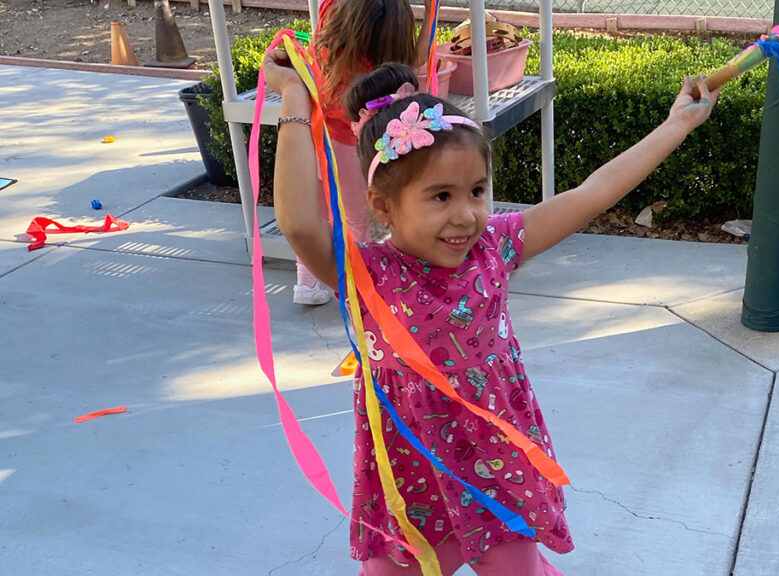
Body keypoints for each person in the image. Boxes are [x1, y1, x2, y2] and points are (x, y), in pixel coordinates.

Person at [262, 57, 719, 574]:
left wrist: (676, 124)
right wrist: (295, 99)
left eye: (477, 190)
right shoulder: (367, 275)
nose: (466, 215)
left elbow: (591, 193)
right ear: (383, 206)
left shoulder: (496, 248)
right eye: (441, 196)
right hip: (410, 485)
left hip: (495, 471)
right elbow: (300, 224)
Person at [291, 0, 434, 305]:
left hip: (313, 131)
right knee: (355, 219)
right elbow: (417, 60)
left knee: (318, 211)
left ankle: (305, 281)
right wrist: (432, 9)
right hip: (348, 140)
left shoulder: (332, 23)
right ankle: (360, 291)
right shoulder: (383, 51)